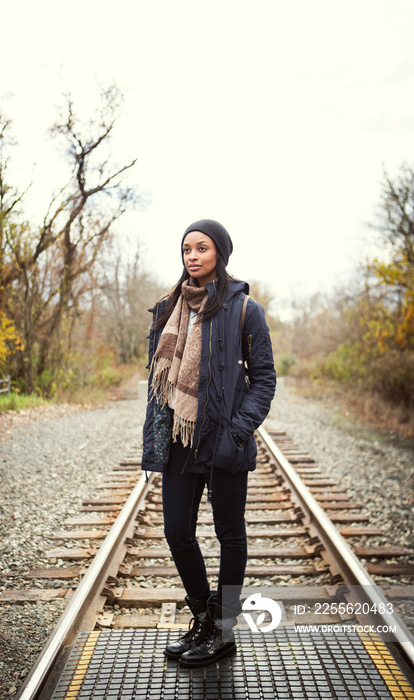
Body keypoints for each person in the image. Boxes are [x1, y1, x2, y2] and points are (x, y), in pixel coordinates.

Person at [141, 219, 276, 667]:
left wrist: (238, 431)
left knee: (229, 536)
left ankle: (224, 631)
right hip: (181, 438)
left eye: (201, 248)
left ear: (220, 252)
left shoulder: (244, 310)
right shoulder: (169, 307)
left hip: (224, 441)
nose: (192, 256)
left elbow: (264, 380)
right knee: (177, 531)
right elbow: (158, 382)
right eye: (186, 250)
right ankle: (202, 616)